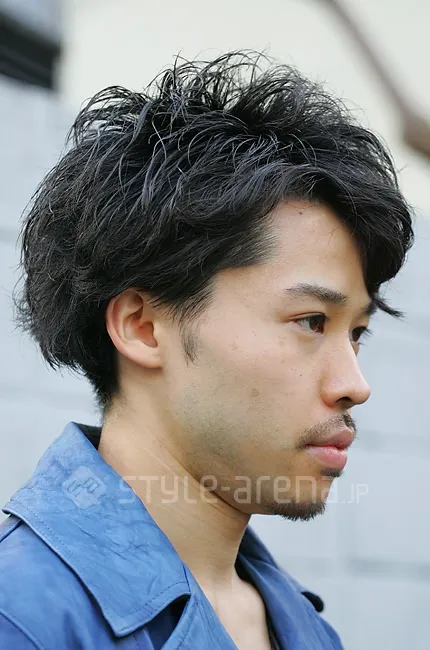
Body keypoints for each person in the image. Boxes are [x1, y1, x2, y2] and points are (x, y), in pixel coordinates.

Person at [0, 51, 413, 649]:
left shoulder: (307, 629)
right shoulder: (23, 619)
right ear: (143, 327)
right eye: (311, 321)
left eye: (356, 333)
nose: (355, 384)